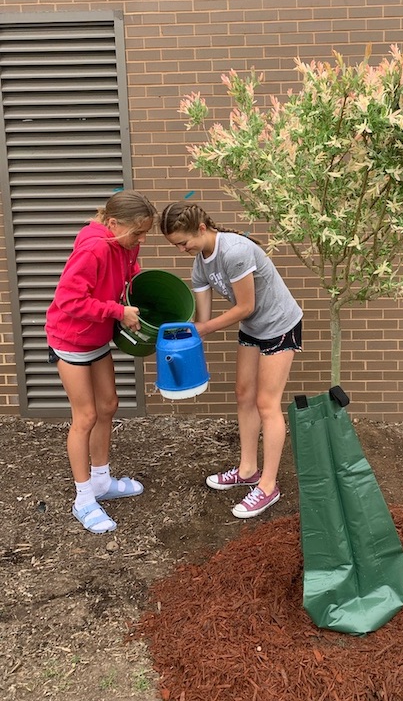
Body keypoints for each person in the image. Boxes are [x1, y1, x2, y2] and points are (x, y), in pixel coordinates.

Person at [160, 201, 303, 519]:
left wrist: (202, 328)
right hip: (253, 328)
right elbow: (203, 320)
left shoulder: (235, 251)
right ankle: (248, 469)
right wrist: (181, 337)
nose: (182, 249)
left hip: (279, 325)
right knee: (243, 395)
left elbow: (246, 306)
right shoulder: (200, 262)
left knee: (267, 404)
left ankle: (267, 487)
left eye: (183, 242)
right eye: (176, 245)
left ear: (201, 228)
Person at [45, 190, 157, 534]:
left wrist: (136, 285)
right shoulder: (93, 248)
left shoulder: (125, 243)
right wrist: (116, 311)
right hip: (71, 339)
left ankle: (101, 480)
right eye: (136, 233)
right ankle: (83, 499)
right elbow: (69, 299)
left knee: (108, 405)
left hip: (96, 337)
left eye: (143, 234)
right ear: (112, 223)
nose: (139, 240)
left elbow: (130, 271)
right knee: (86, 416)